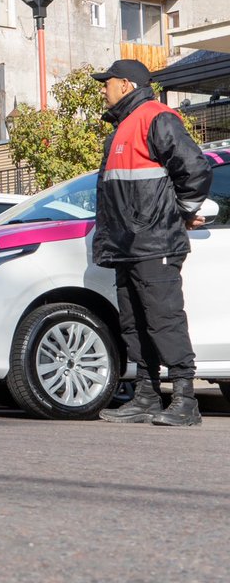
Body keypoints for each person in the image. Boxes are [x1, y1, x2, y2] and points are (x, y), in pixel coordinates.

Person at [91, 59, 212, 428]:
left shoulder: (156, 117)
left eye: (107, 82)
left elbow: (195, 169)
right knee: (134, 322)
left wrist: (181, 212)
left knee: (164, 319)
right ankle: (146, 395)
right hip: (127, 243)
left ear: (126, 84)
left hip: (154, 241)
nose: (103, 88)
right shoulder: (124, 125)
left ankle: (185, 399)